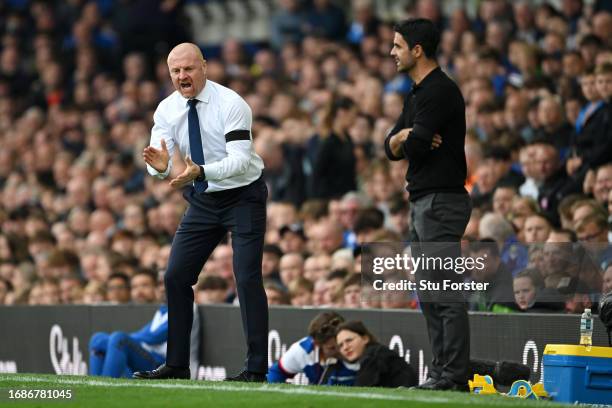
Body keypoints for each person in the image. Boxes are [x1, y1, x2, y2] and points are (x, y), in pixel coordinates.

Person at [134, 43, 268, 382]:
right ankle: (177, 365)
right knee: (175, 276)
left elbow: (239, 161)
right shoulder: (166, 110)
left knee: (247, 277)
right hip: (205, 198)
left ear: (204, 67)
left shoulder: (232, 103)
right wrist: (162, 170)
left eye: (189, 69)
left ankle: (255, 369)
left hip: (243, 196)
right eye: (176, 71)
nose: (182, 76)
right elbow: (159, 162)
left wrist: (201, 172)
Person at [384, 19, 471, 391]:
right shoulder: (417, 93)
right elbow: (392, 145)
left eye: (398, 46)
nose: (392, 52)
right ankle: (440, 371)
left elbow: (415, 147)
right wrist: (406, 135)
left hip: (441, 201)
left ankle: (451, 373)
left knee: (444, 291)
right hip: (422, 200)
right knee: (429, 292)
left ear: (417, 50)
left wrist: (409, 140)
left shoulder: (440, 91)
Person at [89, 304, 200, 379]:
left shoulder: (187, 304)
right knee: (98, 339)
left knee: (119, 338)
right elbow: (145, 334)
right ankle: (95, 387)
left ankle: (106, 385)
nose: (162, 287)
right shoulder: (163, 309)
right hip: (149, 356)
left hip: (165, 364)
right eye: (160, 283)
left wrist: (127, 339)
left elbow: (155, 336)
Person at [267, 311, 358, 385]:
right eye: (332, 348)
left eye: (342, 344)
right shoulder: (302, 351)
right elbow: (276, 373)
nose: (342, 350)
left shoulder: (357, 350)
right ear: (316, 344)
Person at [335, 320, 417, 388]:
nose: (345, 347)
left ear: (365, 339)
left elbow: (360, 390)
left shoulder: (374, 356)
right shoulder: (374, 353)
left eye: (349, 340)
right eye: (340, 345)